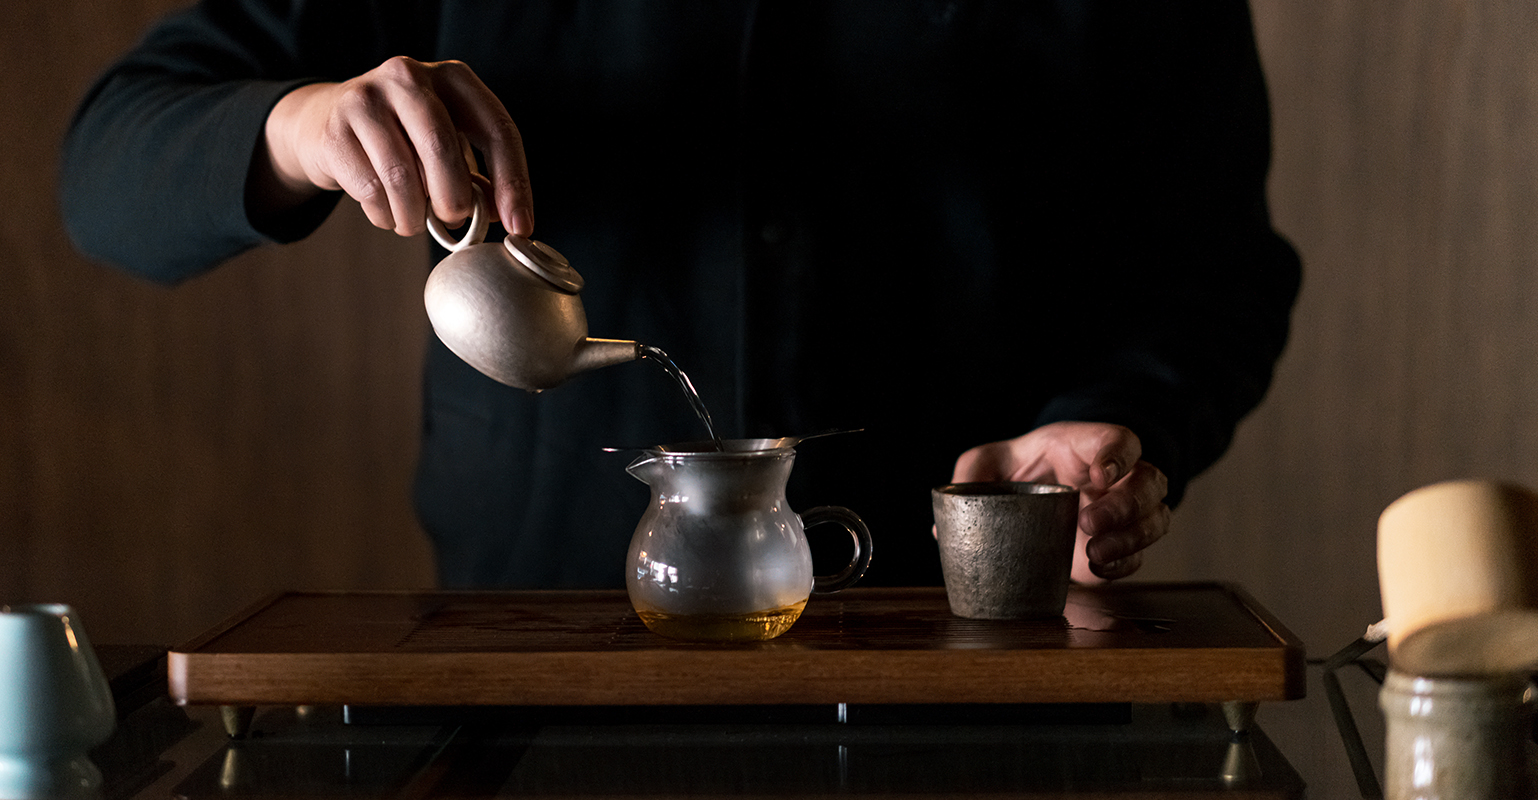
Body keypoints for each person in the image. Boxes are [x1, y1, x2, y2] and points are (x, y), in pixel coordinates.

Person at [60, 1, 1301, 589]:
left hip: (967, 644)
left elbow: (1217, 269)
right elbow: (109, 167)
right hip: (535, 644)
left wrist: (1123, 415)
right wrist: (294, 124)